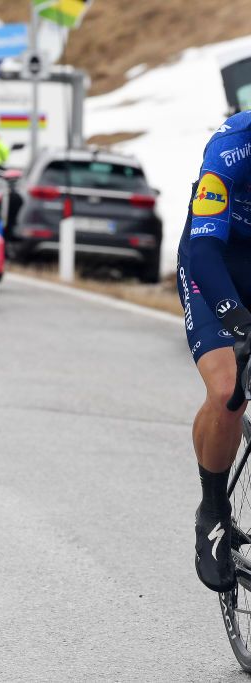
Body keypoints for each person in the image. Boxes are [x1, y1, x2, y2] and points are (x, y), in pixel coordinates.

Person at [178, 110, 251, 592]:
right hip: (215, 263)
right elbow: (202, 250)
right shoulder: (232, 145)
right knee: (229, 389)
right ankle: (213, 511)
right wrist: (234, 315)